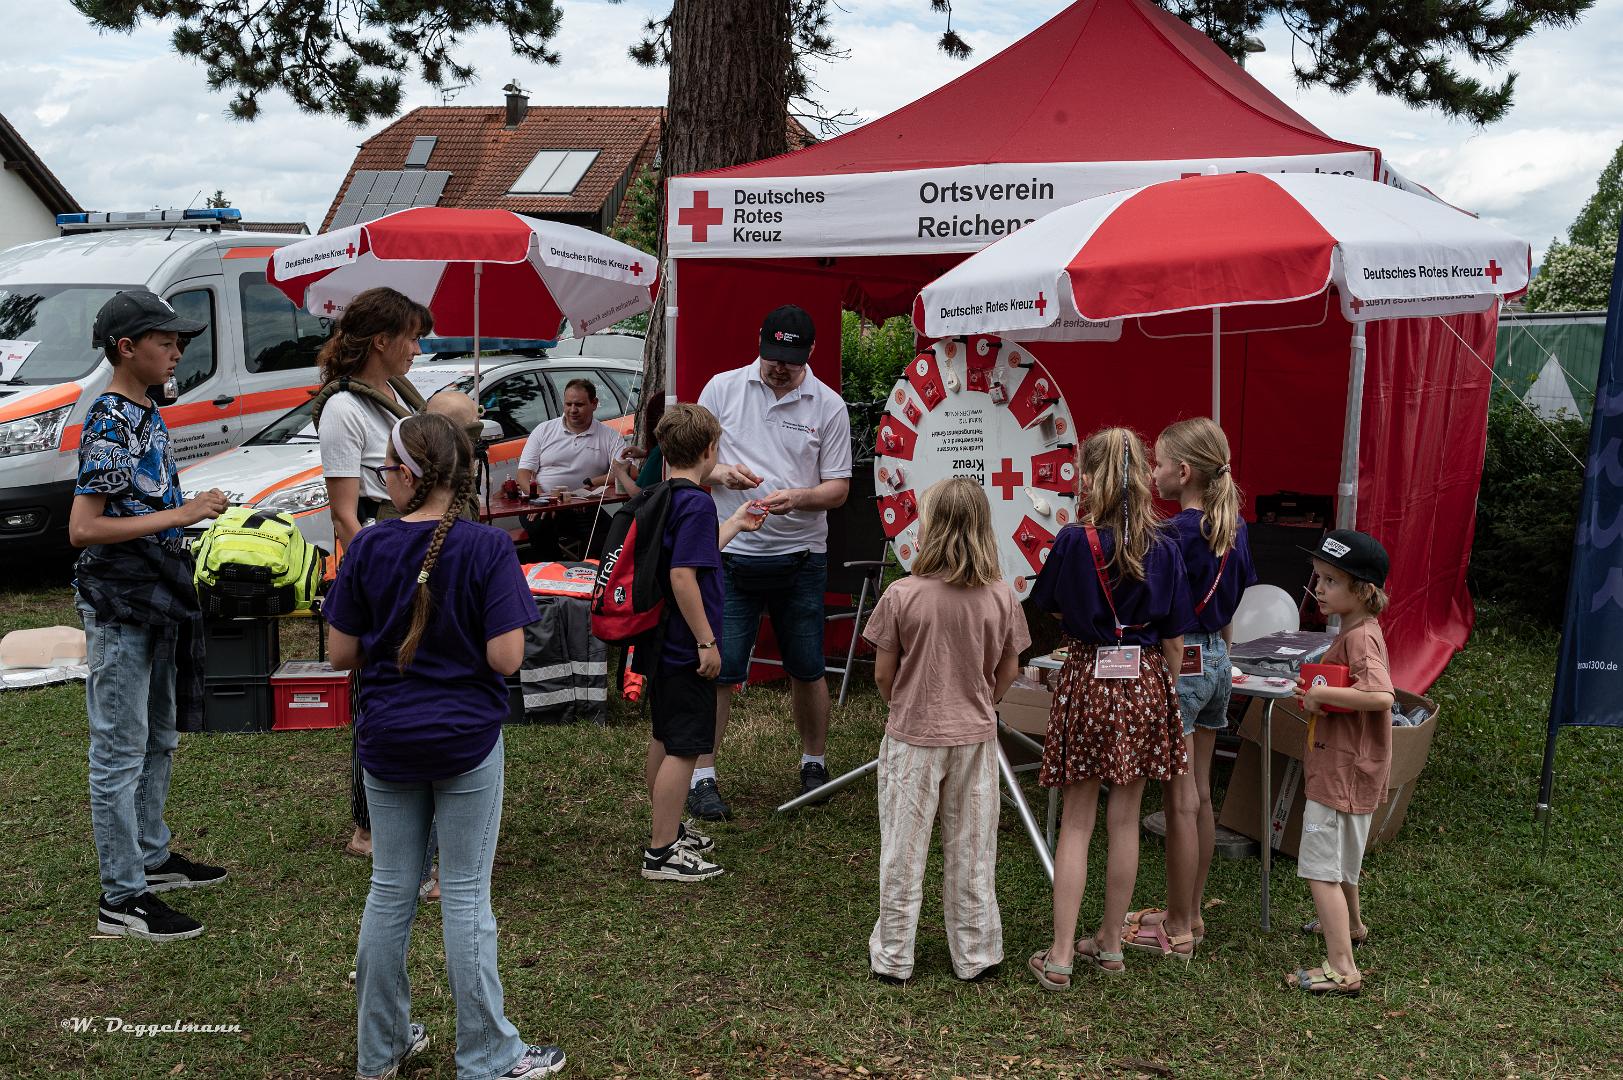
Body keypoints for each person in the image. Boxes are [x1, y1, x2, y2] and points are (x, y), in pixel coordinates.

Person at [324, 412, 566, 1078]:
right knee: (463, 897)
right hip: (465, 743)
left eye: (384, 472)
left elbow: (339, 650)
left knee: (389, 891)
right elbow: (507, 657)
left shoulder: (369, 545)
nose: (381, 482)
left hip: (387, 742)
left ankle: (379, 1052)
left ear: (407, 475)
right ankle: (488, 1056)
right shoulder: (487, 549)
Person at [69, 289, 230, 942]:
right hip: (120, 604)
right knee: (118, 751)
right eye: (165, 342)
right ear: (125, 348)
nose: (178, 352)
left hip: (158, 597)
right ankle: (121, 900)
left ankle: (152, 857)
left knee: (158, 737)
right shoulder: (109, 419)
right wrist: (183, 516)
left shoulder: (146, 409)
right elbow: (84, 528)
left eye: (179, 341)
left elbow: (144, 498)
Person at [1027, 427, 1191, 989]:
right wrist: (1162, 690)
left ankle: (1061, 954)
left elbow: (1044, 604)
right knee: (1125, 820)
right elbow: (1175, 636)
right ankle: (1112, 944)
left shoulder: (1075, 541)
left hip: (1086, 675)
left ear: (1092, 478)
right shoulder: (1166, 546)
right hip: (1146, 680)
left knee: (1077, 821)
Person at [863, 478, 1028, 983]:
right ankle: (976, 954)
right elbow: (1010, 669)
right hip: (975, 736)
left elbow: (882, 674)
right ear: (983, 527)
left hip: (913, 735)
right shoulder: (1002, 596)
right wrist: (984, 701)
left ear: (931, 527)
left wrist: (907, 704)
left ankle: (893, 956)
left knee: (903, 851)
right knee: (975, 848)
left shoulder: (901, 595)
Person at [692, 304, 853, 819]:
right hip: (733, 554)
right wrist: (723, 474)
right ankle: (702, 775)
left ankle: (814, 762)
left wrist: (799, 497)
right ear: (758, 342)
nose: (777, 367)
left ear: (809, 354)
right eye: (771, 356)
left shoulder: (828, 406)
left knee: (807, 666)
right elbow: (693, 462)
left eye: (789, 359)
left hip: (801, 557)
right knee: (719, 669)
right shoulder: (721, 389)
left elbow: (839, 488)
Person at [1123, 417, 1258, 957]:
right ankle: (1192, 913)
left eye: (1157, 464)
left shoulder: (1172, 534)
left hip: (1184, 665)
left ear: (1183, 472)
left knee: (1179, 800)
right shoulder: (1235, 527)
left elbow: (1151, 605)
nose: (1152, 473)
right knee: (1200, 794)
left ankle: (1177, 926)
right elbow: (1231, 609)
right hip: (1220, 661)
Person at [313, 286, 434, 861]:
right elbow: (343, 512)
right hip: (380, 558)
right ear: (381, 340)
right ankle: (366, 825)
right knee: (374, 686)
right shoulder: (343, 409)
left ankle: (403, 808)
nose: (416, 347)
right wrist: (380, 581)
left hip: (414, 554)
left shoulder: (397, 397)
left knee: (410, 680)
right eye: (410, 336)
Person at [638, 404, 768, 882]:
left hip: (659, 639)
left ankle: (666, 828)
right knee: (686, 746)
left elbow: (686, 551)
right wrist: (707, 642)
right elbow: (682, 575)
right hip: (683, 644)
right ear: (711, 450)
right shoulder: (695, 502)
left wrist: (734, 526)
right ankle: (662, 852)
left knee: (664, 734)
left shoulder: (665, 494)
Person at [1286, 529, 1395, 997]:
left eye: (1330, 581)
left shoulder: (1361, 639)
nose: (1319, 589)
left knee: (1319, 868)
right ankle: (1351, 925)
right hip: (1349, 767)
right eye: (1318, 578)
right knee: (1342, 861)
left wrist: (1320, 694)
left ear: (1362, 590)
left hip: (1343, 772)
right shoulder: (1357, 632)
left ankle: (1341, 968)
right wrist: (1320, 696)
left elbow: (1381, 694)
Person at [516, 377, 627, 559]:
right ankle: (552, 578)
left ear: (594, 404)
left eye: (579, 405)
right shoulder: (544, 430)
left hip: (586, 507)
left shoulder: (609, 436)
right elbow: (523, 474)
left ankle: (587, 577)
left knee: (610, 536)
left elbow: (625, 471)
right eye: (568, 404)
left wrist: (587, 488)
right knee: (540, 527)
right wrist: (543, 501)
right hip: (543, 506)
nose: (572, 410)